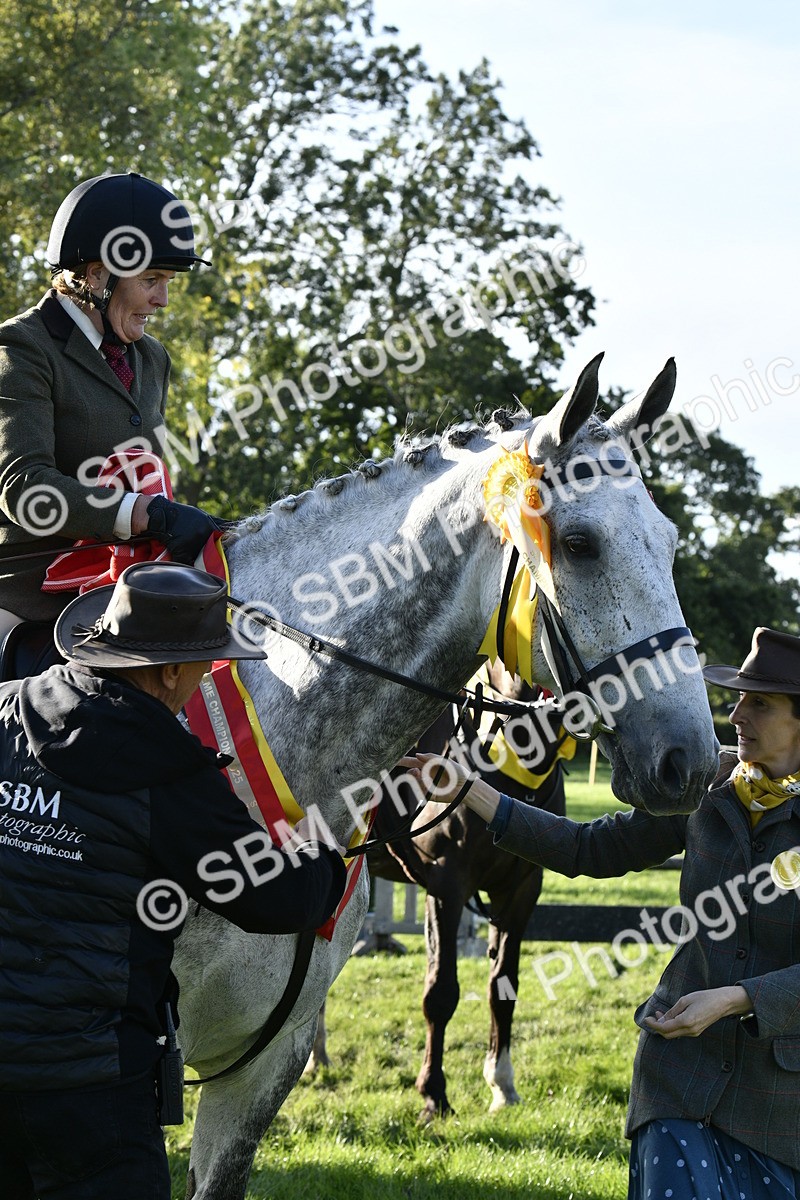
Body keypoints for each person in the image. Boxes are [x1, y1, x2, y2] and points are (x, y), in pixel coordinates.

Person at [403, 626, 800, 1199]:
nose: (735, 713)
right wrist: (471, 792)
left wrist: (738, 999)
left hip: (779, 1107)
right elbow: (588, 848)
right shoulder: (709, 787)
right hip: (677, 1078)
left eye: (759, 702)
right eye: (736, 696)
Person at [0, 561, 347, 1200]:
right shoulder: (168, 771)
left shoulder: (7, 706)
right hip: (90, 1083)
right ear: (168, 672)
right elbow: (275, 896)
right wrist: (324, 856)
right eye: (204, 665)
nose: (203, 681)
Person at [0, 171, 219, 641]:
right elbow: (24, 489)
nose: (161, 299)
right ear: (96, 274)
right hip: (29, 607)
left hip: (124, 594)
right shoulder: (21, 348)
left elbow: (144, 472)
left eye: (167, 281)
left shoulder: (151, 358)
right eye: (151, 279)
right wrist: (141, 512)